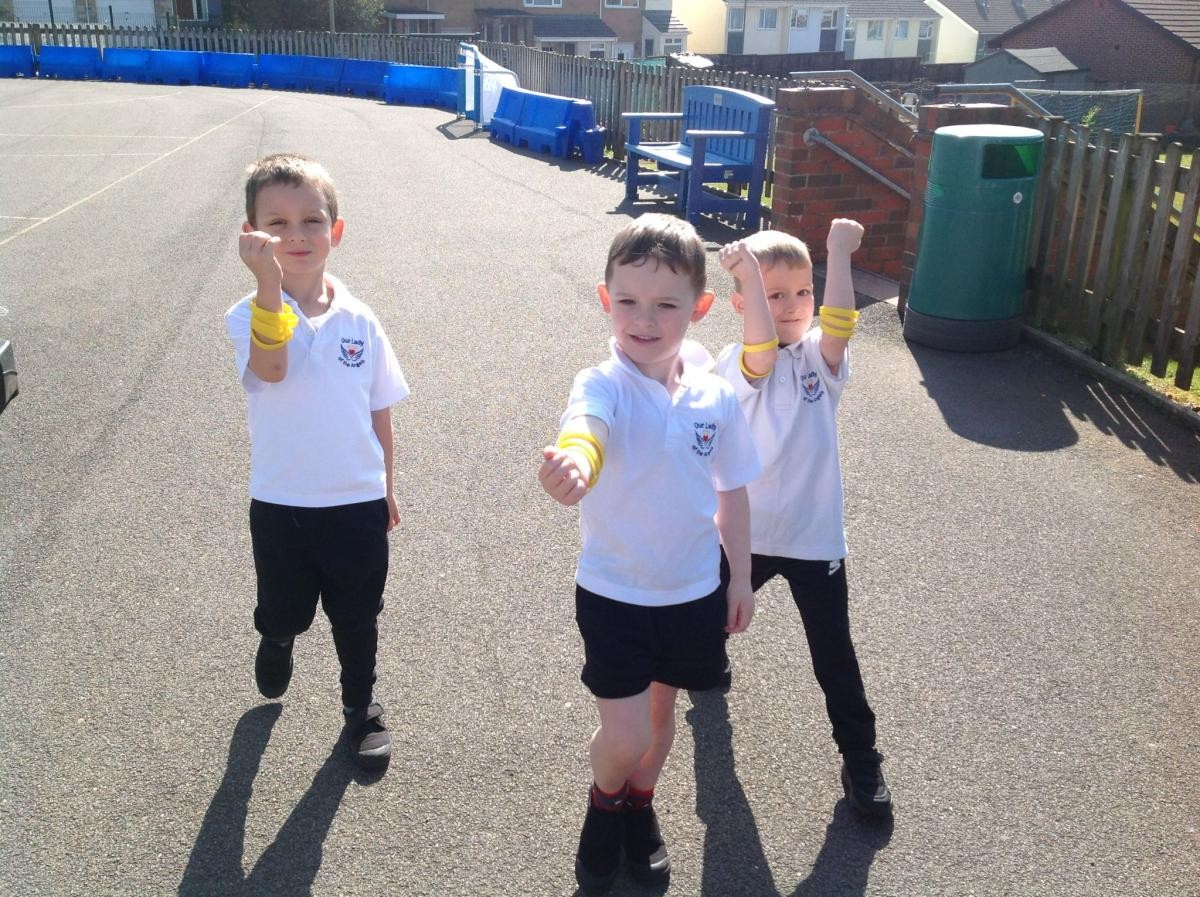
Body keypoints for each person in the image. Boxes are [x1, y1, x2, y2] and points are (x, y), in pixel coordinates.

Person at [538, 214, 762, 893]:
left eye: (666, 305)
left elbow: (732, 491)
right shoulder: (601, 382)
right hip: (614, 593)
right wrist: (575, 463)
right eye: (629, 301)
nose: (644, 319)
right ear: (605, 299)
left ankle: (639, 805)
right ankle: (605, 803)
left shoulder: (715, 394)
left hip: (692, 592)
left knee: (659, 720)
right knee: (626, 733)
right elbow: (586, 429)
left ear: (700, 307)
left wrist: (740, 578)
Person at [224, 153, 409, 770]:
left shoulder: (361, 319)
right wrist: (268, 286)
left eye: (311, 220)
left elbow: (379, 406)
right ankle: (276, 637)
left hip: (355, 501)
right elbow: (272, 369)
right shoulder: (247, 314)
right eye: (276, 223)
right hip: (281, 502)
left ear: (337, 229)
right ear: (252, 234)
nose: (296, 236)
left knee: (357, 616)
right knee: (287, 608)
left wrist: (386, 484)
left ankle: (360, 708)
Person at [712, 221, 892, 816]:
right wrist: (747, 274)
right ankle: (708, 660)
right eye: (772, 295)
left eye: (802, 292)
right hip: (745, 533)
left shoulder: (820, 356)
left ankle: (861, 759)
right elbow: (762, 352)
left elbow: (838, 324)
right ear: (742, 305)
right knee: (707, 620)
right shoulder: (734, 362)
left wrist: (837, 252)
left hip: (815, 538)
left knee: (834, 653)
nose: (792, 306)